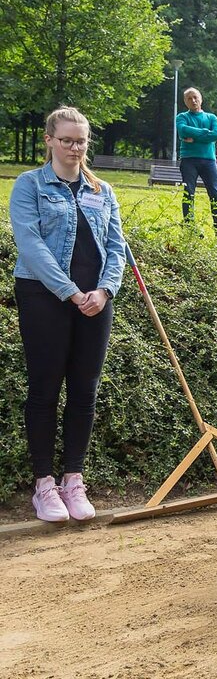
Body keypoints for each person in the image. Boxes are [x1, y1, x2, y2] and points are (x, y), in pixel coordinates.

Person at [10, 107, 126, 522]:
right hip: (44, 296)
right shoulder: (29, 186)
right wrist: (70, 292)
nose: (75, 148)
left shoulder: (102, 190)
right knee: (44, 389)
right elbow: (30, 245)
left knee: (84, 390)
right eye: (67, 140)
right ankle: (44, 485)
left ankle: (73, 479)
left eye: (81, 141)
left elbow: (117, 247)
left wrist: (106, 289)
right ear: (50, 141)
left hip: (96, 301)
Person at [176, 87, 217, 229]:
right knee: (188, 193)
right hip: (189, 160)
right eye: (189, 98)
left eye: (195, 97)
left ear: (201, 99)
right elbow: (183, 130)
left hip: (209, 161)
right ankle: (190, 228)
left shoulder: (211, 118)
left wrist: (195, 138)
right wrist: (205, 134)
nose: (193, 100)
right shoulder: (182, 117)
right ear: (185, 102)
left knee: (215, 194)